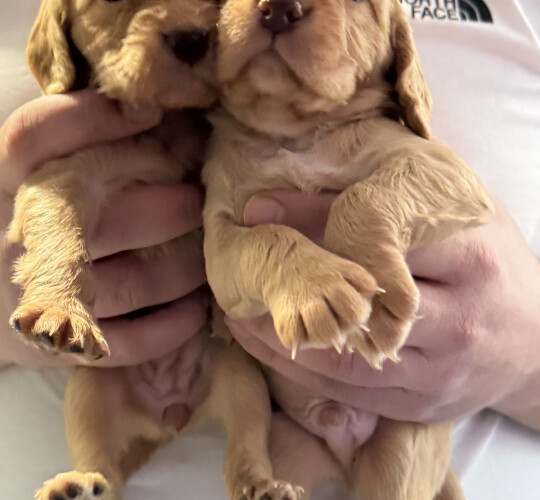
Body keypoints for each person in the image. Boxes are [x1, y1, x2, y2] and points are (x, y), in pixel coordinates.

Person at [0, 0, 538, 499]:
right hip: (177, 400)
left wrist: (527, 357)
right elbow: (232, 252)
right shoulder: (229, 141)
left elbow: (444, 181)